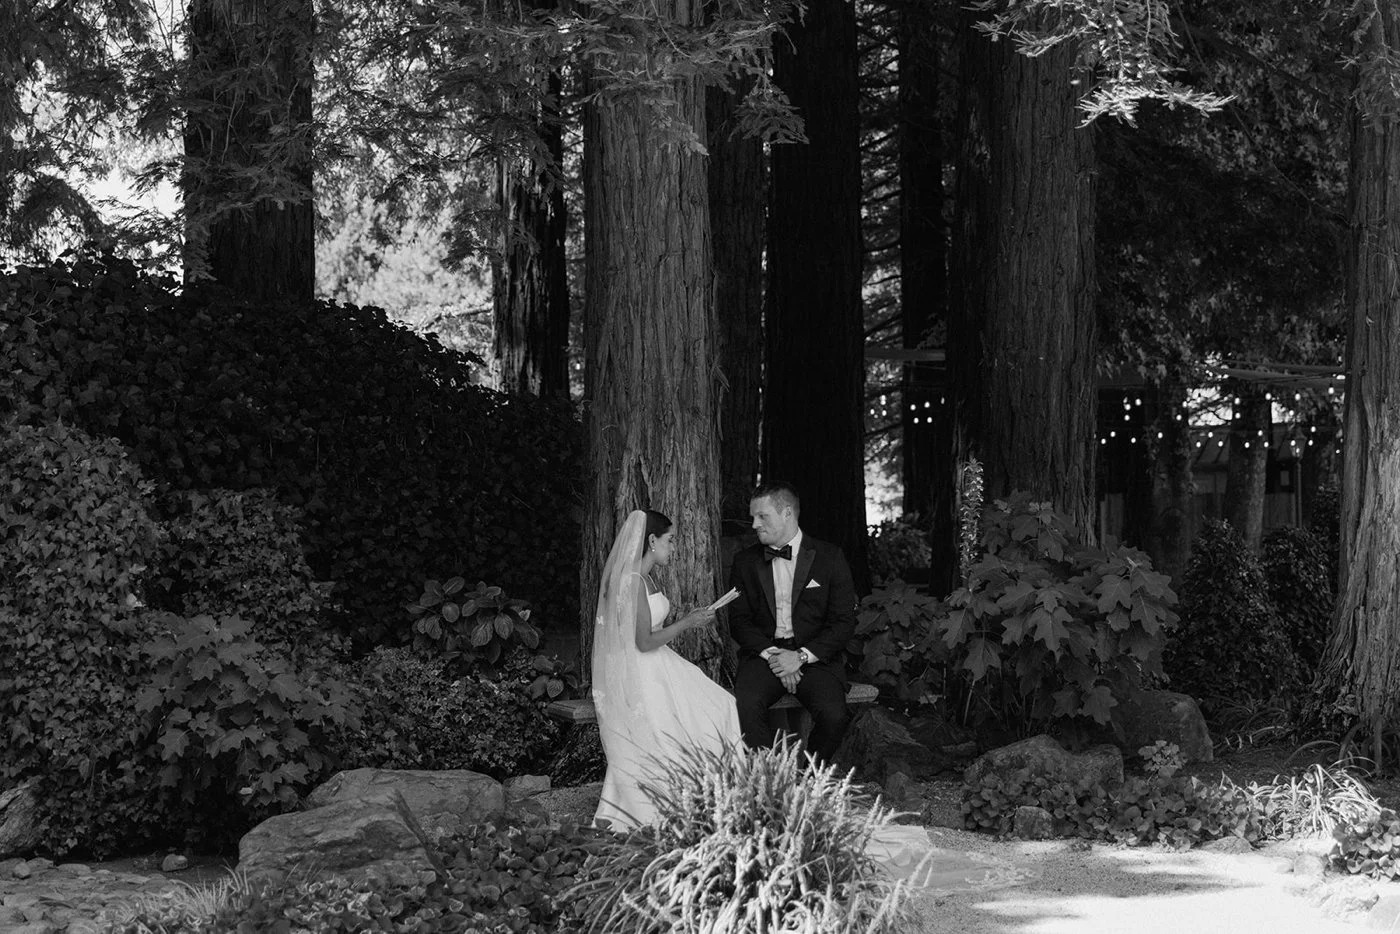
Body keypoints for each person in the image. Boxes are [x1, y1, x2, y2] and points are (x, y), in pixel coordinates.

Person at [591, 508, 742, 831]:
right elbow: (643, 642)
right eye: (670, 541)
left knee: (721, 704)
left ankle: (714, 794)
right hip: (644, 668)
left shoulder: (644, 577)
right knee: (710, 710)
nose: (673, 548)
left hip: (659, 662)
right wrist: (688, 623)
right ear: (652, 540)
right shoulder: (631, 581)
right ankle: (690, 798)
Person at [727, 482, 857, 763]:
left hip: (815, 656)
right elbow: (738, 620)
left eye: (762, 516)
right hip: (763, 654)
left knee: (835, 716)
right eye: (753, 517)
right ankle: (769, 780)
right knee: (744, 706)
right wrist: (775, 657)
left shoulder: (829, 557)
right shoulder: (744, 562)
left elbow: (844, 621)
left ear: (787, 513)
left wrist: (799, 657)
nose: (754, 525)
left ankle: (807, 779)